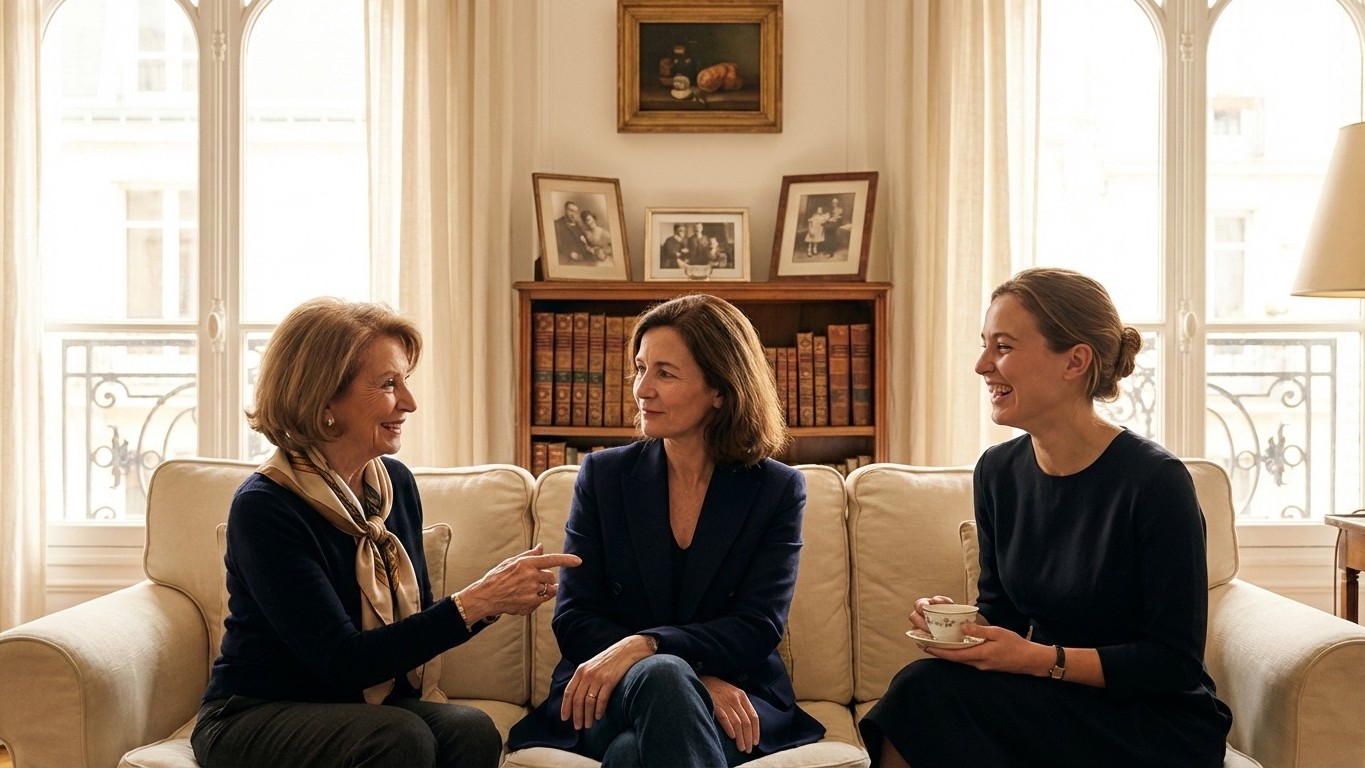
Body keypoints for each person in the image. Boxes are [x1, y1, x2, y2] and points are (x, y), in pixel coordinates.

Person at [858, 268, 1233, 768]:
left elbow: (1173, 664)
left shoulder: (1155, 482)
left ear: (1075, 361)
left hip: (1152, 720)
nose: (981, 365)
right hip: (1057, 698)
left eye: (1004, 347)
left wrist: (1040, 660)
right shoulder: (998, 471)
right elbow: (1003, 613)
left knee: (924, 697)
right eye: (984, 345)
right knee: (923, 687)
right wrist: (955, 625)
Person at [190, 297, 581, 768]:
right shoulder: (266, 507)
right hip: (253, 714)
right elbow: (342, 661)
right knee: (401, 736)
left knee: (471, 729)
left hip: (356, 710)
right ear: (324, 399)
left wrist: (491, 597)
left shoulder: (394, 485)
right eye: (389, 384)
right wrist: (476, 600)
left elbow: (409, 633)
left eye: (405, 382)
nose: (410, 403)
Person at [508, 294, 825, 766]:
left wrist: (652, 645)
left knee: (631, 753)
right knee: (664, 678)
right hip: (605, 692)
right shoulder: (603, 476)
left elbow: (758, 626)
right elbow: (574, 619)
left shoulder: (776, 490)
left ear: (720, 389)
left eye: (665, 373)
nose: (640, 389)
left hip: (736, 694)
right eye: (639, 368)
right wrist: (680, 672)